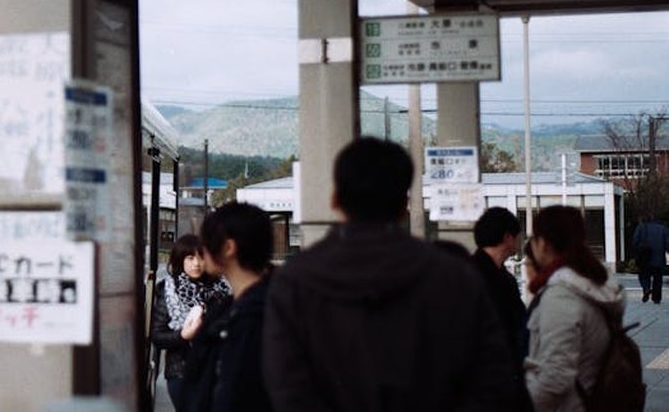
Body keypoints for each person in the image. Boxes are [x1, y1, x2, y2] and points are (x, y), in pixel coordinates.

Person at [261, 136, 514, 411]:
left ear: (334, 199)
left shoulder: (295, 281)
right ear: (404, 205)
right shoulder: (456, 277)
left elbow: (287, 389)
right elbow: (493, 383)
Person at [525, 205, 625, 410]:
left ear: (542, 243)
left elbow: (554, 379)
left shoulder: (562, 295)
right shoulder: (595, 283)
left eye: (533, 239)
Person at [182, 203, 274, 412]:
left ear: (228, 248)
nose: (202, 253)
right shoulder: (236, 306)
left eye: (206, 244)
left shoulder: (252, 317)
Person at [149, 235, 230, 411]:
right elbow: (157, 335)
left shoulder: (222, 287)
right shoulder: (168, 290)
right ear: (180, 260)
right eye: (190, 257)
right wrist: (183, 335)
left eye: (201, 257)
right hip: (181, 372)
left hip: (219, 371)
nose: (197, 263)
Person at [472, 207, 529, 408]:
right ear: (507, 237)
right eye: (517, 236)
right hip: (493, 381)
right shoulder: (499, 280)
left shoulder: (466, 273)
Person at [632, 214, 669, 303]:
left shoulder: (641, 228)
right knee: (658, 278)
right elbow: (668, 243)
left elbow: (635, 241)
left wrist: (636, 253)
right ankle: (656, 298)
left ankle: (646, 288)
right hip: (659, 258)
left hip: (644, 258)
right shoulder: (663, 229)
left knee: (644, 275)